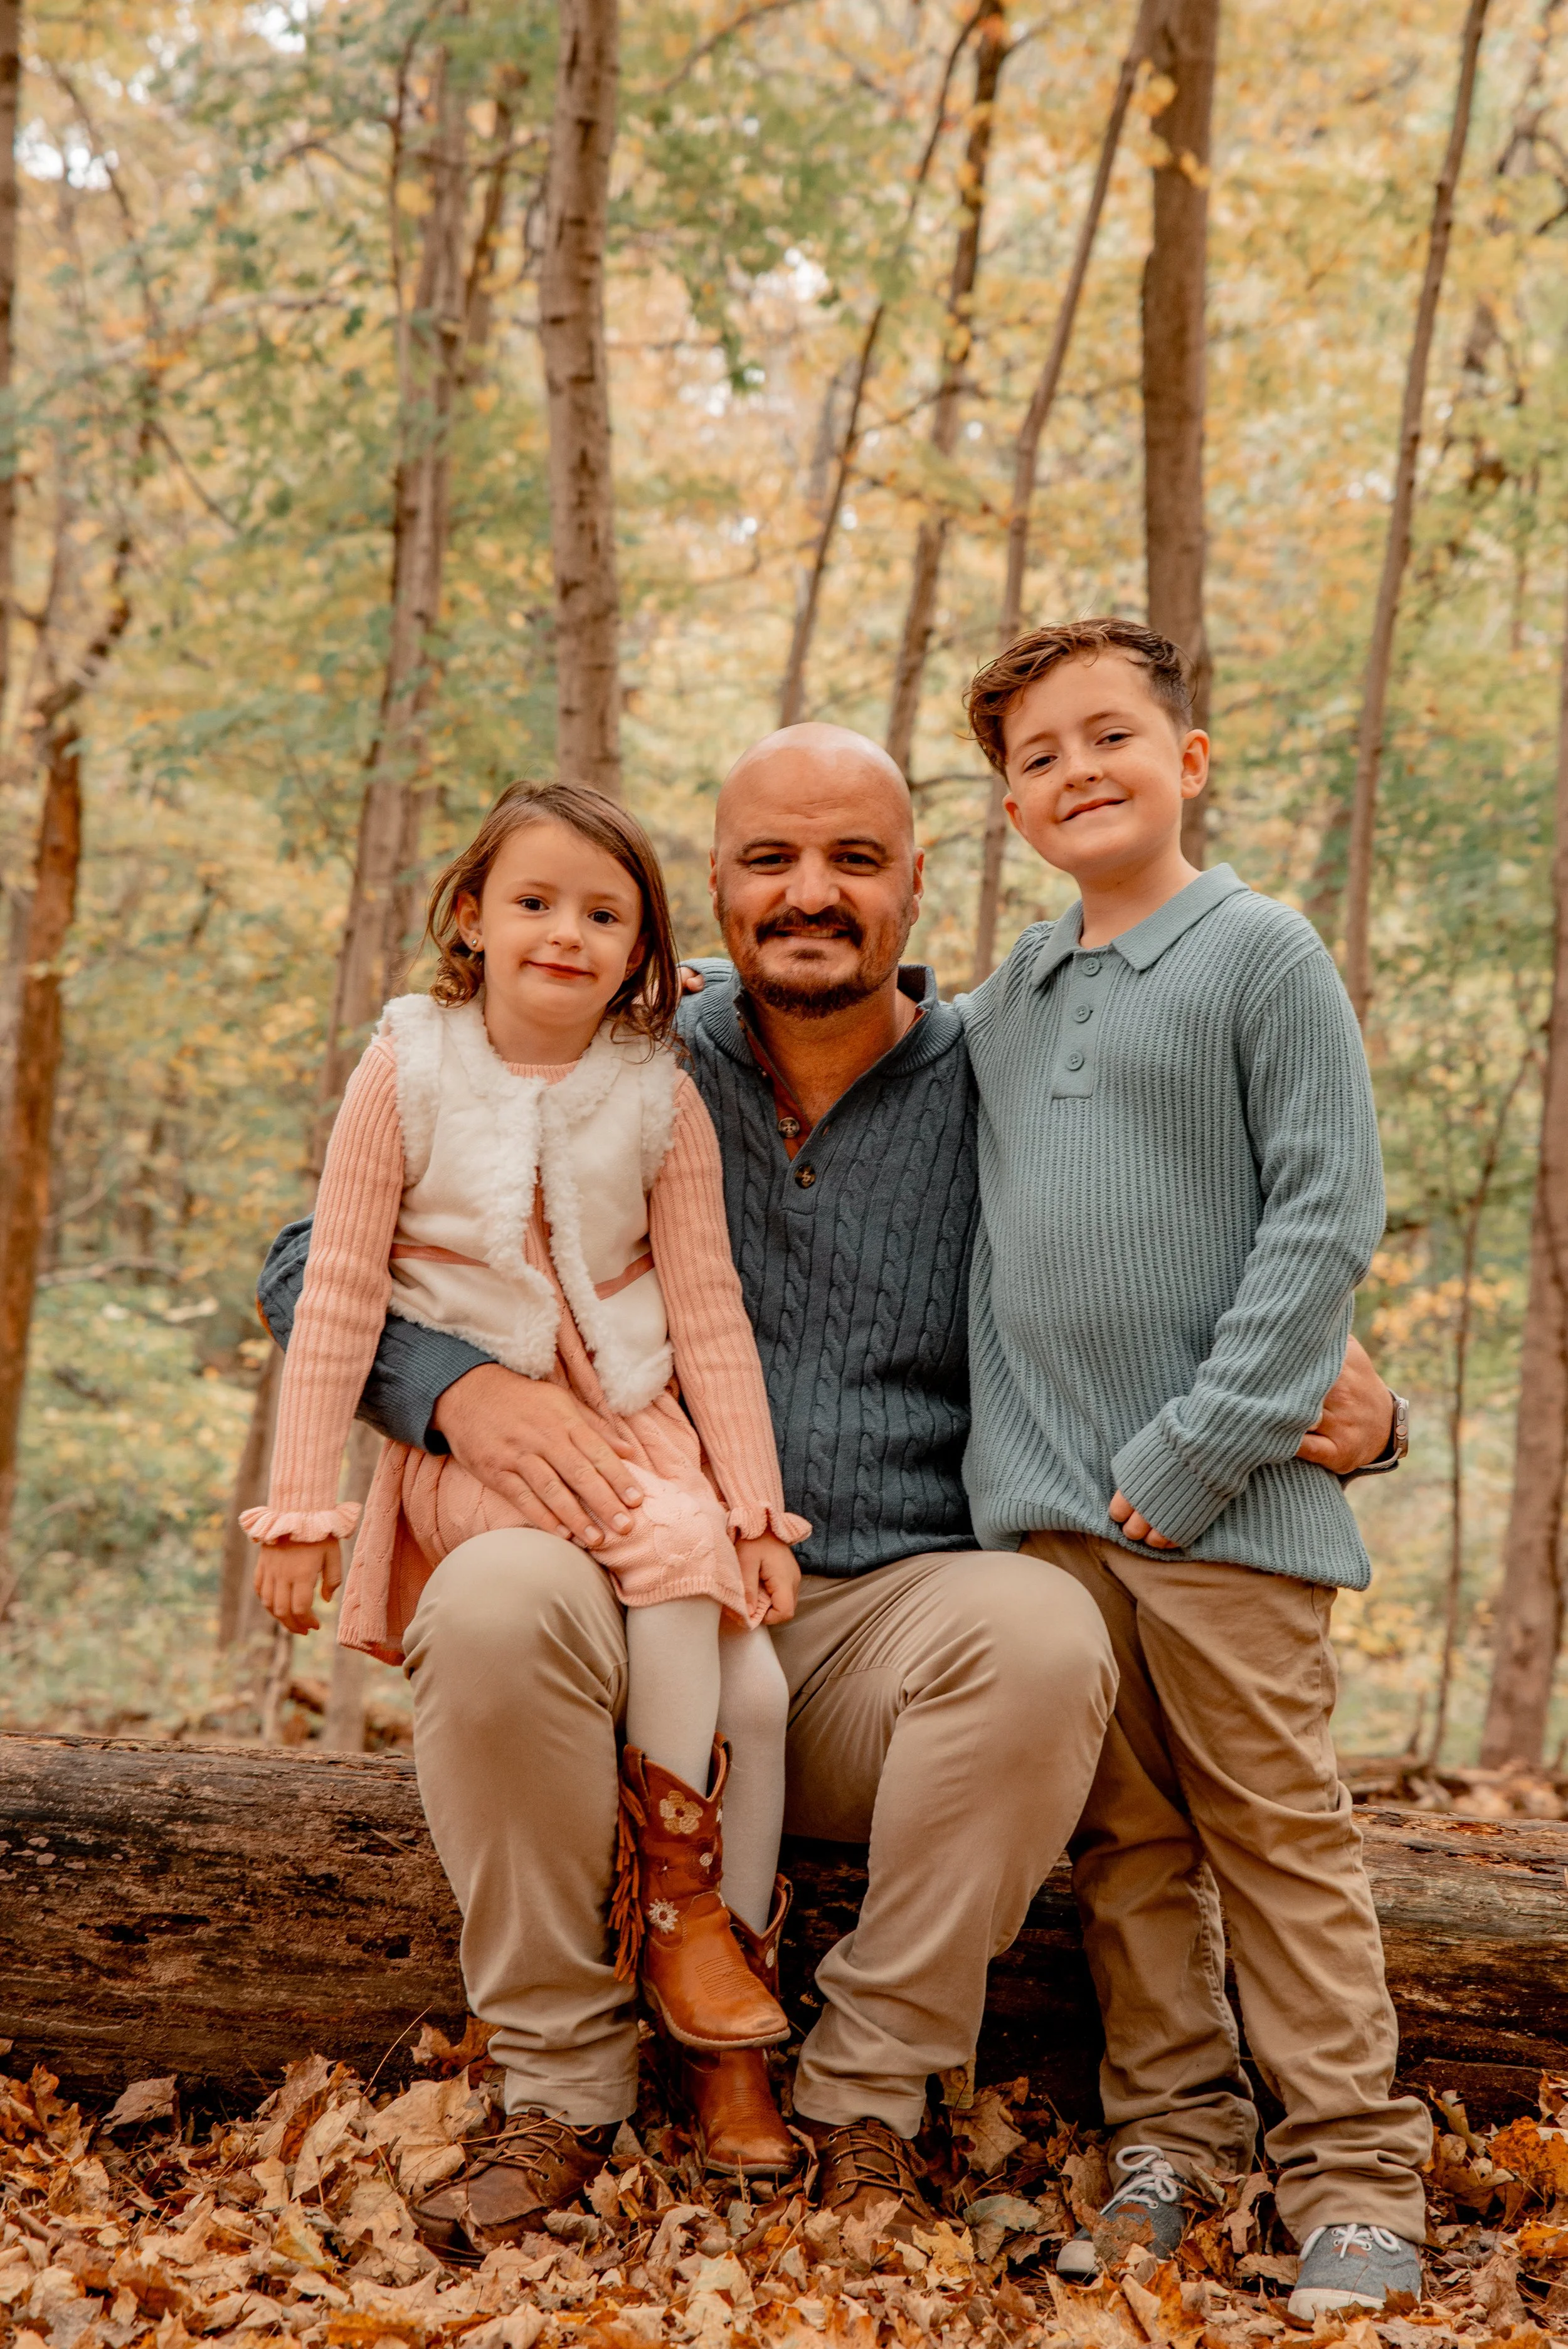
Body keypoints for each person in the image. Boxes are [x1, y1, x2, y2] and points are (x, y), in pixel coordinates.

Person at [255, 723, 1399, 2256]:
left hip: (878, 1620)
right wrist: (459, 1388)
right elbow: (305, 1260)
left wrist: (1367, 1417)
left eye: (855, 860)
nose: (811, 893)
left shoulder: (1003, 1067)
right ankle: (562, 2087)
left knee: (1045, 1627)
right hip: (631, 1592)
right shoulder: (630, 1055)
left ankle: (867, 2102)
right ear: (711, 891)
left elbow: (1171, 1236)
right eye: (768, 861)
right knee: (490, 1595)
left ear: (919, 883)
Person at [958, 619, 1430, 2324]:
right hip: (1050, 1523)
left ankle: (1358, 2181)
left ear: (1188, 760)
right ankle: (1174, 2139)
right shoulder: (1007, 1004)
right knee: (1130, 1850)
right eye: (1037, 756)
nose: (1077, 771)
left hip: (1221, 1510)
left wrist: (1207, 1442)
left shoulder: (1258, 954)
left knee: (1277, 1837)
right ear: (1009, 808)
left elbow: (1323, 1218)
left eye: (1109, 737)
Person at [242, 781, 810, 2084]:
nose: (566, 932)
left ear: (643, 953)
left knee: (760, 1695)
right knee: (662, 1538)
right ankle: (673, 1912)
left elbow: (708, 1314)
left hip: (632, 1422)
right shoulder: (407, 1067)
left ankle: (725, 2018)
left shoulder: (656, 1098)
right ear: (471, 916)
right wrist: (298, 1511)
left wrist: (756, 1511)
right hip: (472, 1454)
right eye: (535, 901)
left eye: (603, 913)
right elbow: (333, 1288)